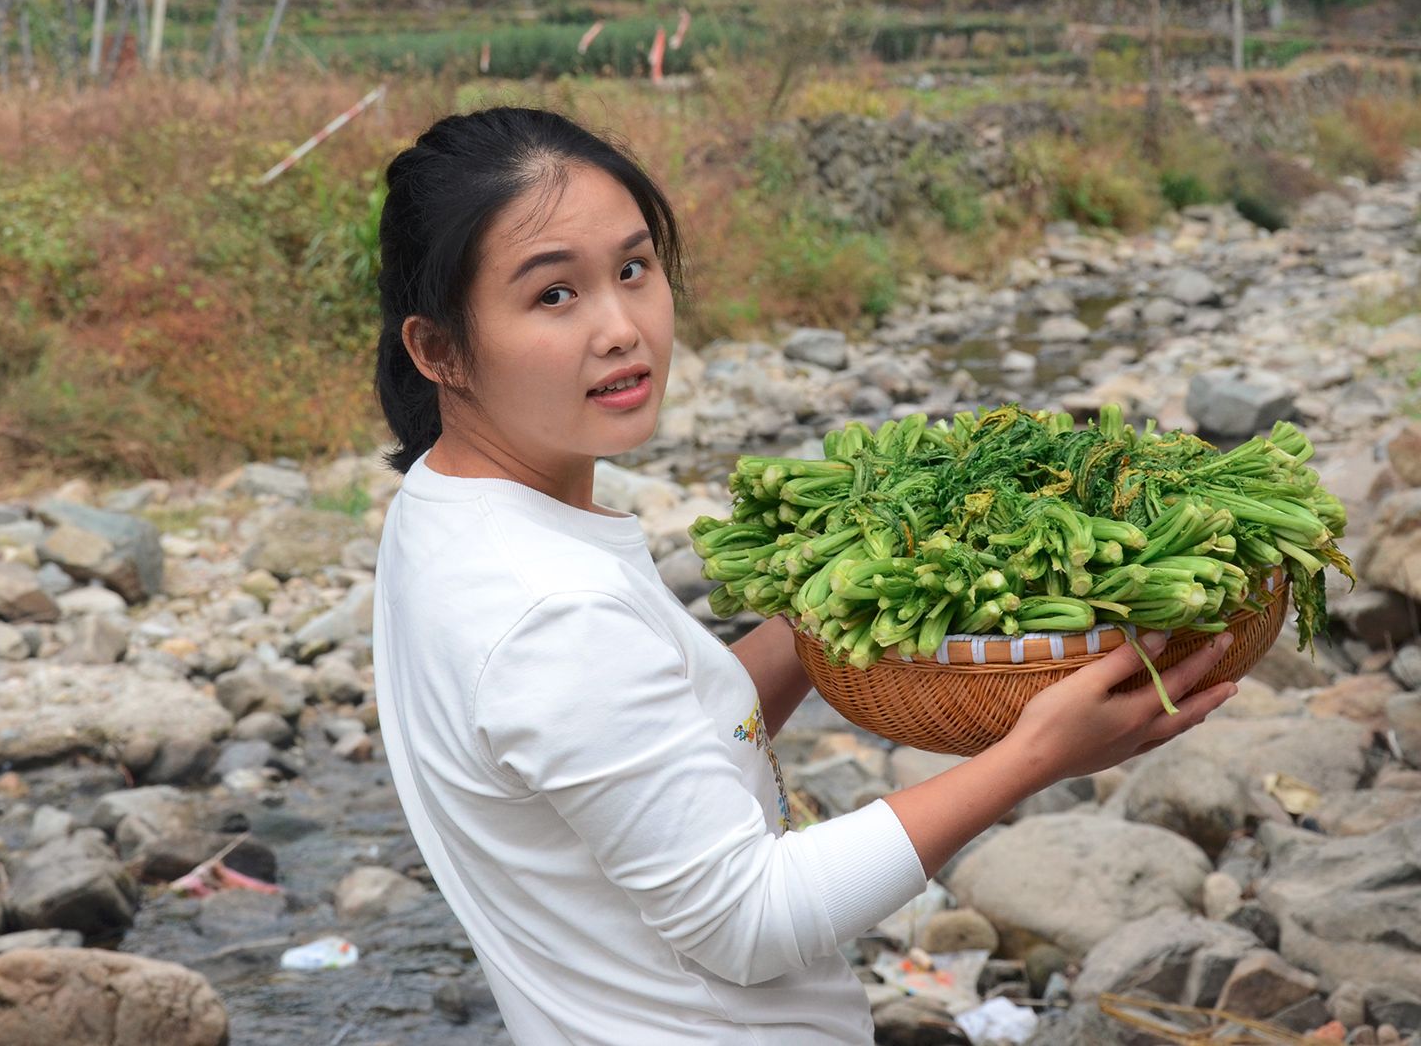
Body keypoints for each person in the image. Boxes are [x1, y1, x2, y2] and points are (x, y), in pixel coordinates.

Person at [369, 106, 1239, 1045]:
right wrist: (1033, 758)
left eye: (631, 269)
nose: (621, 328)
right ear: (439, 351)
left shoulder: (446, 508)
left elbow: (668, 736)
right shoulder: (550, 609)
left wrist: (862, 579)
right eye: (553, 296)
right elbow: (749, 921)